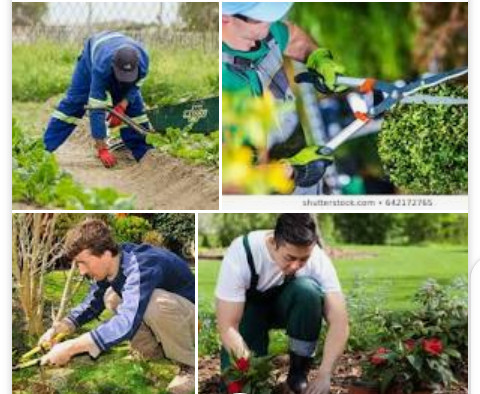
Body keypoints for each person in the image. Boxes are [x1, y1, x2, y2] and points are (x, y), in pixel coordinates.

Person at [38, 219, 195, 394]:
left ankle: (189, 366)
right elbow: (92, 302)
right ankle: (149, 352)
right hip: (172, 316)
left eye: (83, 262)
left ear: (105, 254)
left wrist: (71, 347)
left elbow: (127, 321)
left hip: (192, 319)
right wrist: (64, 325)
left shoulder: (141, 265)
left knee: (154, 303)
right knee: (111, 297)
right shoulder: (114, 263)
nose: (81, 271)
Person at [215, 214, 349, 394]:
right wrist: (248, 368)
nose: (296, 266)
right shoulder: (242, 253)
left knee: (307, 292)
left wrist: (325, 374)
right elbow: (228, 326)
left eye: (303, 259)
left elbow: (340, 321)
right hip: (248, 313)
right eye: (290, 258)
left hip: (286, 306)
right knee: (240, 386)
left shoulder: (317, 258)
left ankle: (297, 375)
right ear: (273, 242)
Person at [222, 2, 346, 192]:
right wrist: (290, 171)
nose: (272, 20)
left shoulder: (266, 32)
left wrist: (318, 58)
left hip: (305, 182)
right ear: (224, 18)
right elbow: (223, 183)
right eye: (261, 16)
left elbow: (292, 36)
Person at [43, 31, 153, 168]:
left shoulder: (143, 61)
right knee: (74, 104)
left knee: (134, 109)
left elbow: (136, 86)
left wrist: (123, 105)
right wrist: (102, 148)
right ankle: (44, 149)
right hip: (91, 59)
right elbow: (96, 109)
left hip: (114, 51)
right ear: (113, 66)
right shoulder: (101, 67)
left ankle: (144, 154)